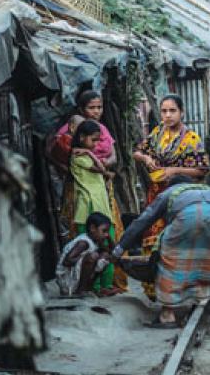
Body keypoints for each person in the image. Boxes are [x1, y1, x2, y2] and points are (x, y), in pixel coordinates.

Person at [113, 175, 210, 327]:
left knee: (171, 259)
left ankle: (167, 315)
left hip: (186, 218)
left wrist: (120, 248)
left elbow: (143, 220)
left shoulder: (169, 193)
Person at [132, 94, 209, 300]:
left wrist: (173, 171)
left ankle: (182, 290)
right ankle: (157, 291)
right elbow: (137, 152)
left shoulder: (191, 138)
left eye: (172, 111)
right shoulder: (157, 134)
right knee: (154, 242)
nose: (167, 115)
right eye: (164, 111)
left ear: (182, 112)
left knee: (179, 243)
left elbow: (202, 170)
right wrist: (146, 158)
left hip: (180, 198)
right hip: (156, 195)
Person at [56, 90, 127, 292]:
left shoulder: (101, 131)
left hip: (102, 195)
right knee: (88, 244)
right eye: (91, 107)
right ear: (81, 109)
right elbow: (55, 152)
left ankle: (107, 284)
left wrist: (102, 163)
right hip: (84, 197)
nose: (96, 111)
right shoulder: (73, 140)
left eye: (99, 107)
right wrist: (87, 160)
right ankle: (87, 286)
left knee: (107, 242)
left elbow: (112, 159)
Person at [70, 121, 118, 296]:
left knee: (108, 248)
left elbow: (103, 169)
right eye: (93, 140)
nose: (96, 144)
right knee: (91, 252)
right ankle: (93, 287)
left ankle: (105, 285)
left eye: (98, 141)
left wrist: (90, 151)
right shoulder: (78, 156)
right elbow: (101, 167)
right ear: (81, 138)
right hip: (87, 210)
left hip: (101, 208)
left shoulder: (86, 154)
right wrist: (90, 153)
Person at [56, 213, 113, 296]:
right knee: (93, 257)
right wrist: (84, 258)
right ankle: (80, 291)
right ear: (93, 228)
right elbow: (67, 261)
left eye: (107, 232)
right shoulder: (83, 242)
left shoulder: (96, 241)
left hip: (75, 277)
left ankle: (88, 289)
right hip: (67, 281)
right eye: (104, 231)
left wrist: (108, 238)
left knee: (105, 257)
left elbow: (112, 252)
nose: (106, 234)